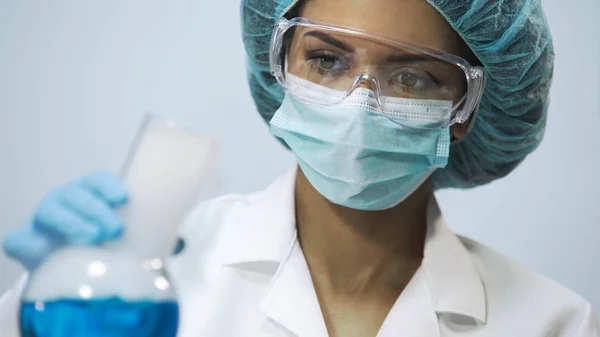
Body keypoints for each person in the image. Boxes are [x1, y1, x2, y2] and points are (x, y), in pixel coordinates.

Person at [0, 0, 598, 336]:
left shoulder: (551, 323)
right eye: (327, 59)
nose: (360, 102)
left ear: (464, 109)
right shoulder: (142, 283)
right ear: (279, 67)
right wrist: (48, 292)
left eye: (413, 76)